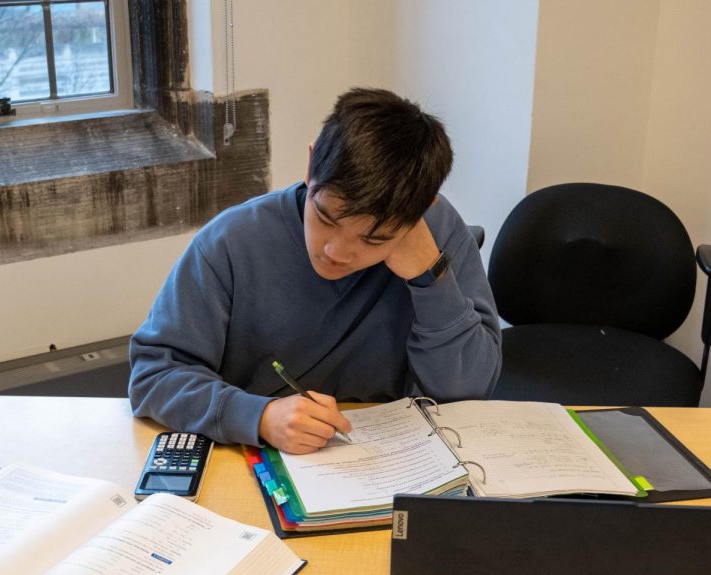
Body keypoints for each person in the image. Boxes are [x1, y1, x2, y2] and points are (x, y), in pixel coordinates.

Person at [129, 87, 501, 453]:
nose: (335, 252)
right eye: (325, 217)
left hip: (392, 457)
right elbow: (154, 376)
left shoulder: (438, 235)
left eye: (374, 239)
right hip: (261, 453)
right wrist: (258, 416)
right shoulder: (230, 241)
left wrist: (429, 277)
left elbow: (469, 393)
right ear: (310, 166)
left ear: (422, 209)